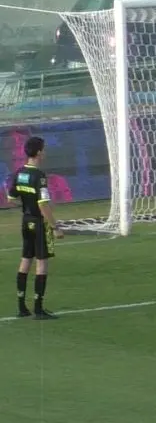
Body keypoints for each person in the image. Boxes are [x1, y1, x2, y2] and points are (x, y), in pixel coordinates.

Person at [10, 136, 62, 319]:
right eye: (44, 149)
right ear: (39, 152)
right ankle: (38, 309)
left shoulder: (20, 172)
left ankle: (22, 307)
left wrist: (26, 207)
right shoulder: (39, 176)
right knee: (42, 262)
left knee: (26, 259)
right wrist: (55, 227)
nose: (45, 152)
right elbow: (43, 205)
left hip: (26, 221)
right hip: (40, 223)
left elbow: (11, 198)